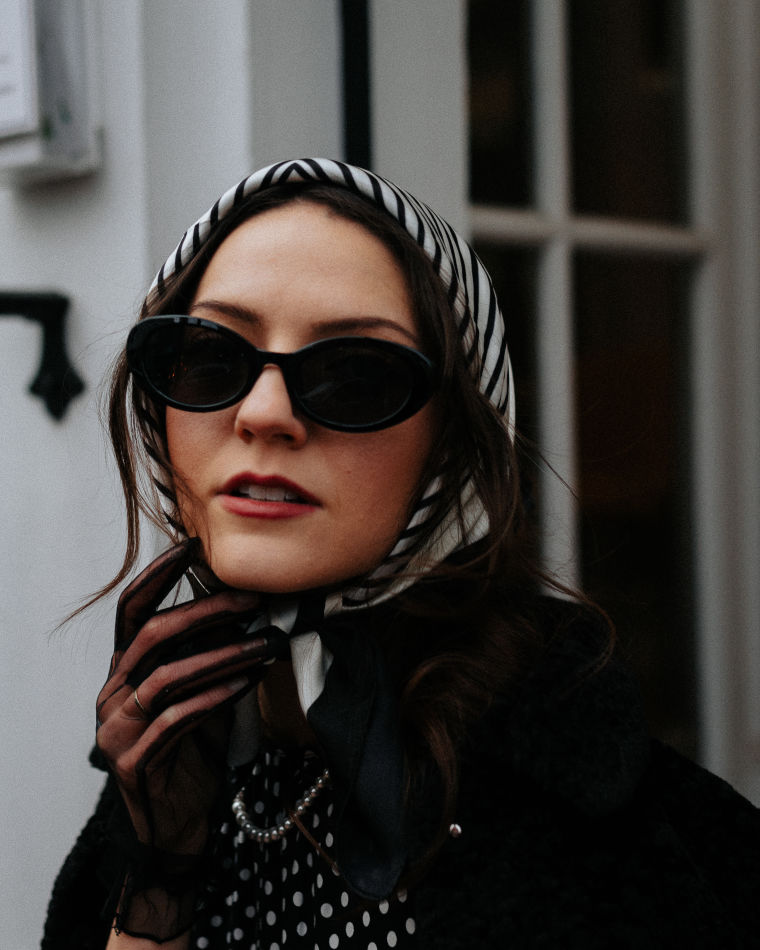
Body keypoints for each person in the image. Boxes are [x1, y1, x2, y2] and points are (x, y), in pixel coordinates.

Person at [42, 158, 760, 949]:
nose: (264, 412)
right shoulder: (177, 747)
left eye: (356, 376)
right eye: (212, 358)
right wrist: (160, 877)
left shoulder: (582, 791)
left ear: (454, 443)